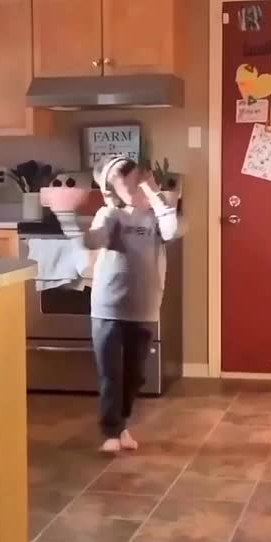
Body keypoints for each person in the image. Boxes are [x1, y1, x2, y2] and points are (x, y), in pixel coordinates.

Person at [85, 154, 182, 454]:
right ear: (112, 192)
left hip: (144, 307)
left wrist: (153, 194)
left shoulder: (156, 217)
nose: (137, 187)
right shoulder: (110, 214)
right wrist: (78, 228)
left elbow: (171, 231)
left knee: (135, 375)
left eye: (139, 181)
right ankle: (111, 430)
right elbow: (95, 239)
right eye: (128, 185)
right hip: (109, 307)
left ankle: (121, 424)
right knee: (111, 374)